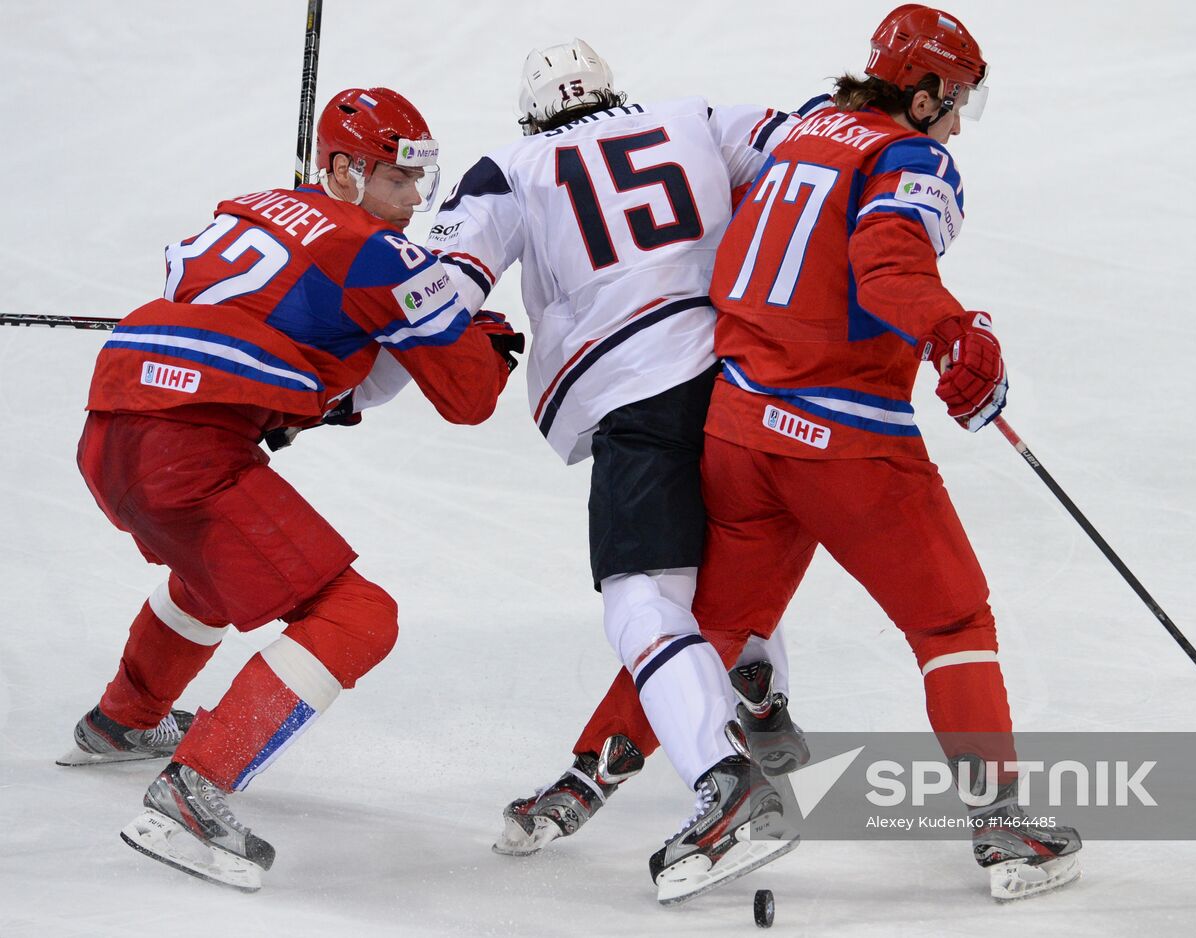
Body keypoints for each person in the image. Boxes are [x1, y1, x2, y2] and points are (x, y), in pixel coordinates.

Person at [518, 6, 1085, 900]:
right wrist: (957, 336)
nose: (958, 122)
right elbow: (889, 266)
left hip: (740, 428)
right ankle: (1006, 828)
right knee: (951, 622)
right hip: (846, 443)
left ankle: (582, 779)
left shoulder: (807, 125)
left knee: (708, 629)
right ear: (926, 90)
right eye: (957, 100)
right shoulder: (911, 157)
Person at [57, 86, 522, 892]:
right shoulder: (379, 255)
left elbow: (217, 298)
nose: (413, 201)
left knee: (209, 573)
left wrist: (293, 394)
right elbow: (469, 399)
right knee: (358, 614)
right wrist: (482, 333)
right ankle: (193, 792)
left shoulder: (244, 209)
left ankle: (120, 721)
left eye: (421, 179)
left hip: (110, 431)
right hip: (187, 450)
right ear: (341, 168)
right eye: (394, 180)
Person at [426, 40, 814, 902]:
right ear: (613, 91)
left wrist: (331, 276)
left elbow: (441, 293)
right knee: (731, 555)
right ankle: (760, 686)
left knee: (644, 599)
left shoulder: (511, 166)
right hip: (744, 381)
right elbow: (811, 155)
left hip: (639, 400)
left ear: (533, 113)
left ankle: (726, 783)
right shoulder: (698, 117)